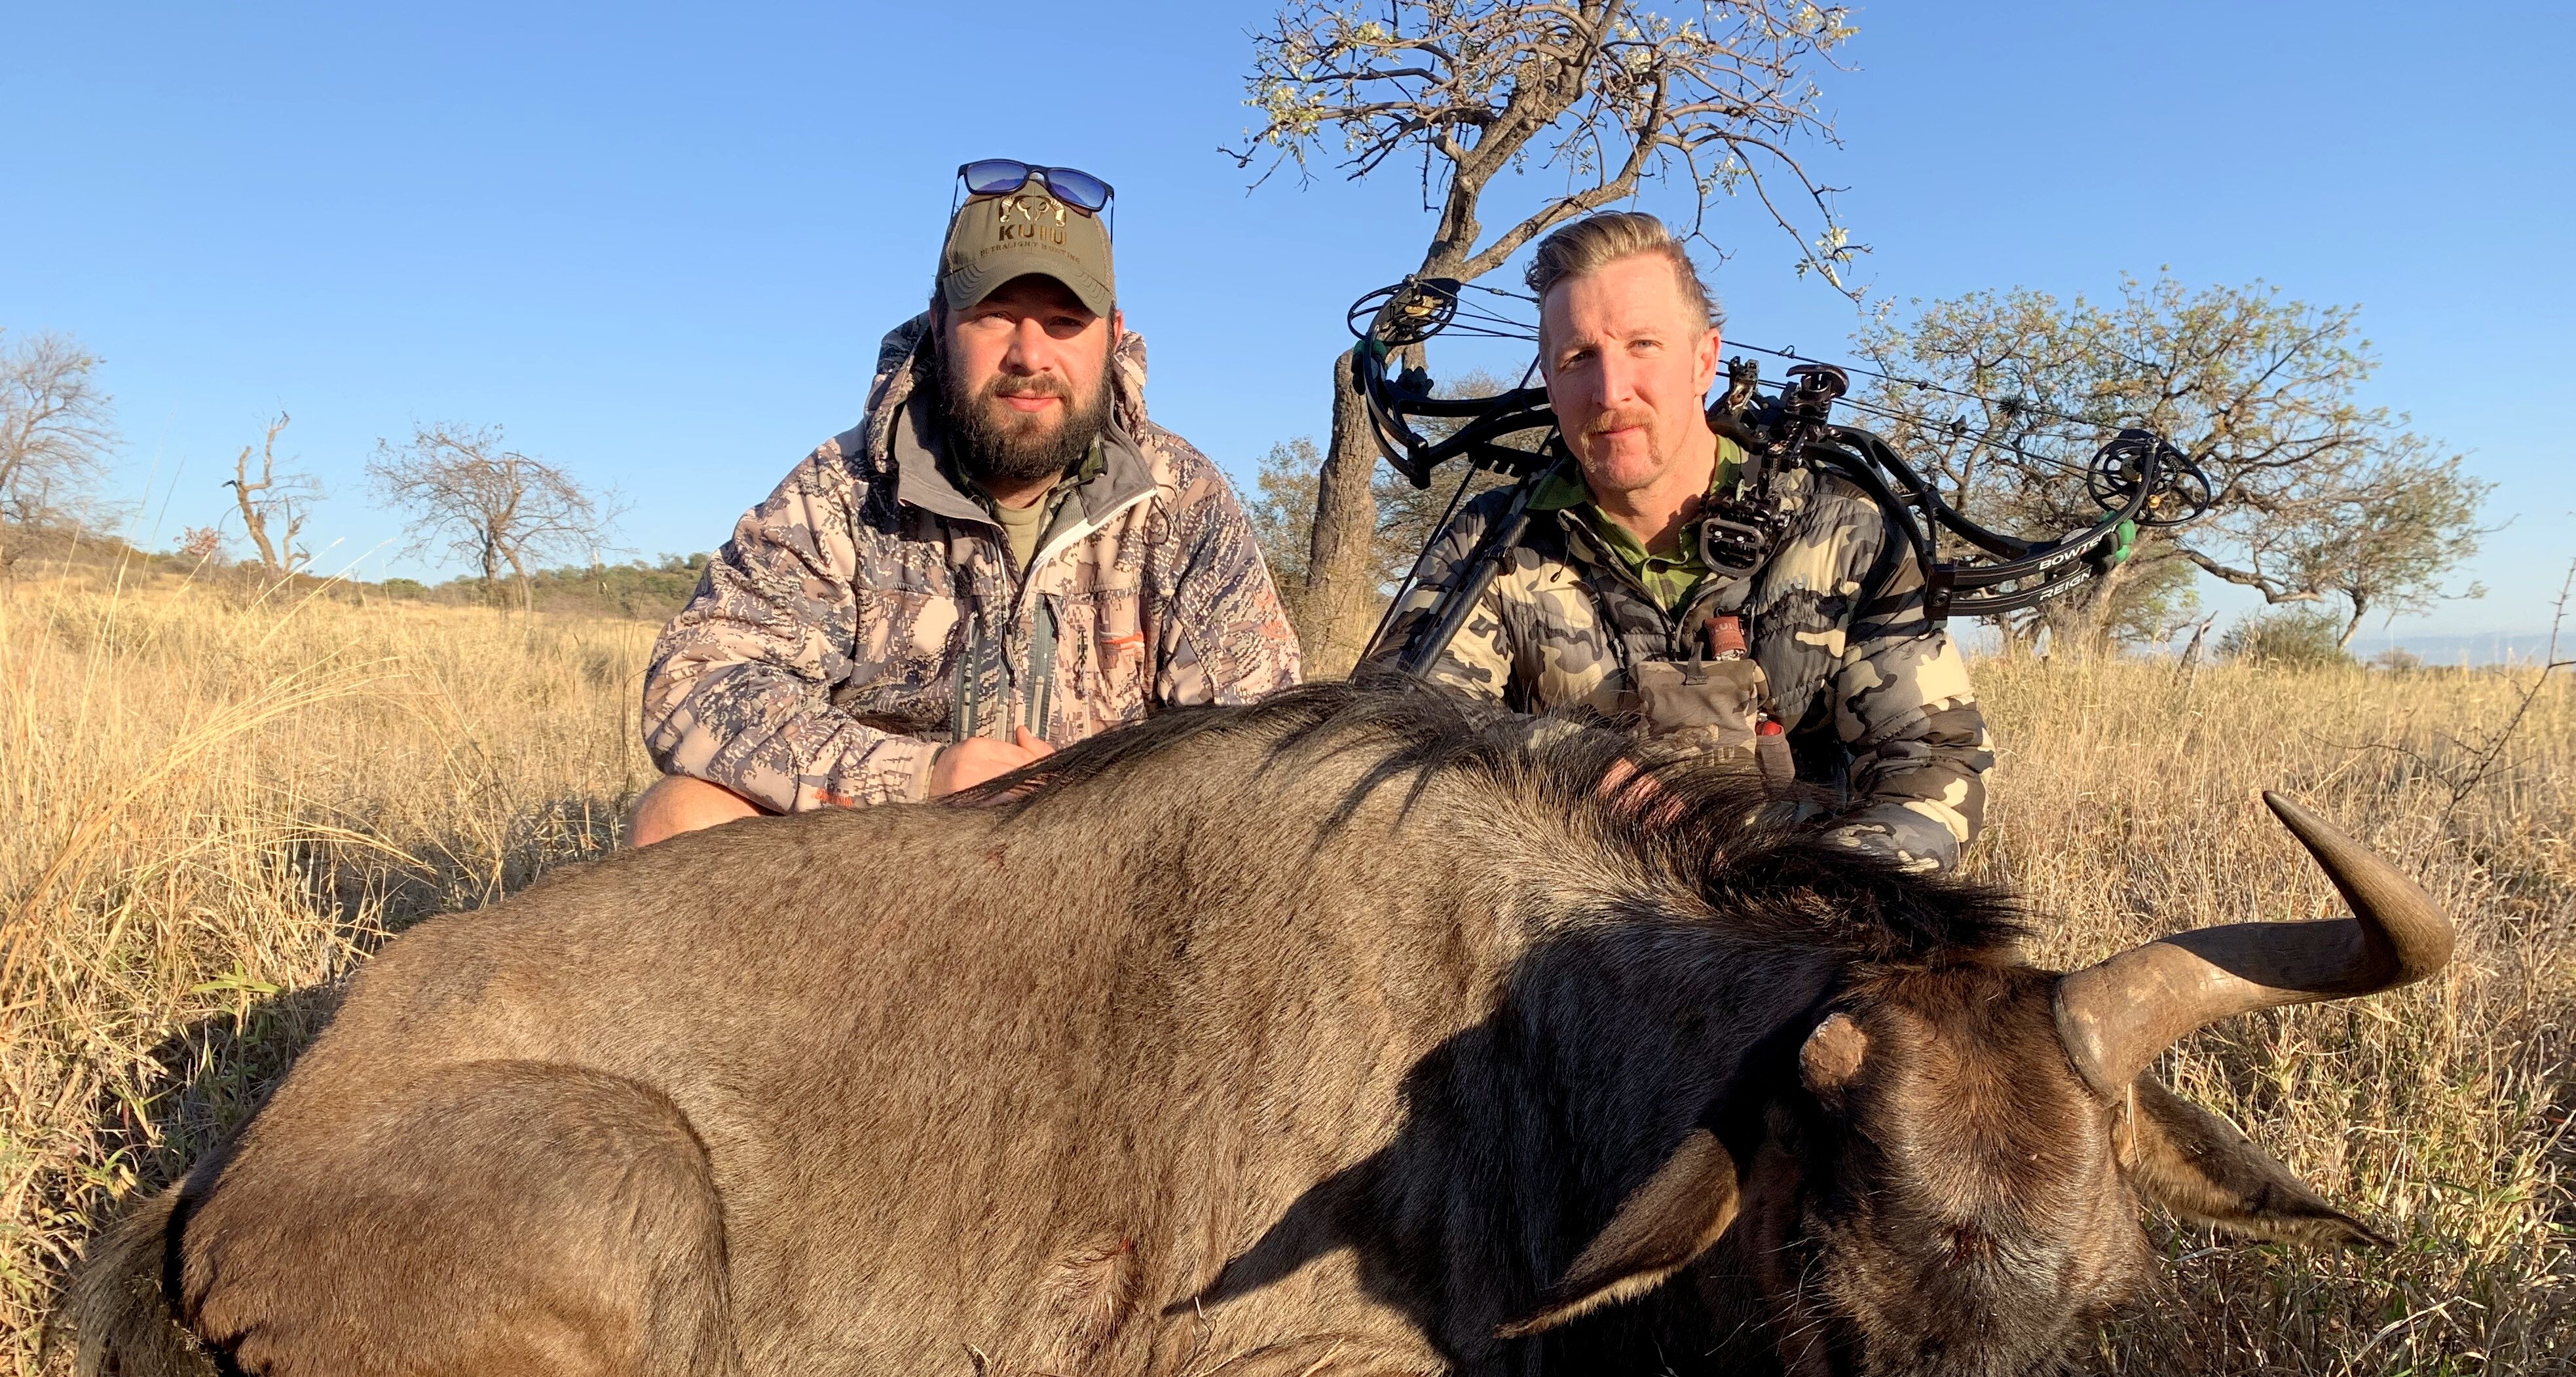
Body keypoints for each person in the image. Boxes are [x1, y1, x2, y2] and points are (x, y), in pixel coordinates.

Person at [632, 160, 1299, 844]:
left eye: (1065, 321)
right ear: (941, 322)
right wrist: (919, 777)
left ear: (1112, 332)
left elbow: (1259, 745)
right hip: (888, 868)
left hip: (1102, 872)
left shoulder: (1180, 498)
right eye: (994, 317)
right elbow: (696, 683)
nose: (1029, 354)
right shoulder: (845, 487)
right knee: (680, 817)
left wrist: (1095, 810)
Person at [1361, 211, 1991, 874]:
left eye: (1642, 345)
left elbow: (1933, 757)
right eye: (1579, 358)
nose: (1610, 392)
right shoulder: (1489, 541)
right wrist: (1577, 766)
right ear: (1548, 378)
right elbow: (1399, 731)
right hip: (1568, 929)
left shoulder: (1847, 529)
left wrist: (1821, 893)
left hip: (1803, 928)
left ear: (1704, 361)